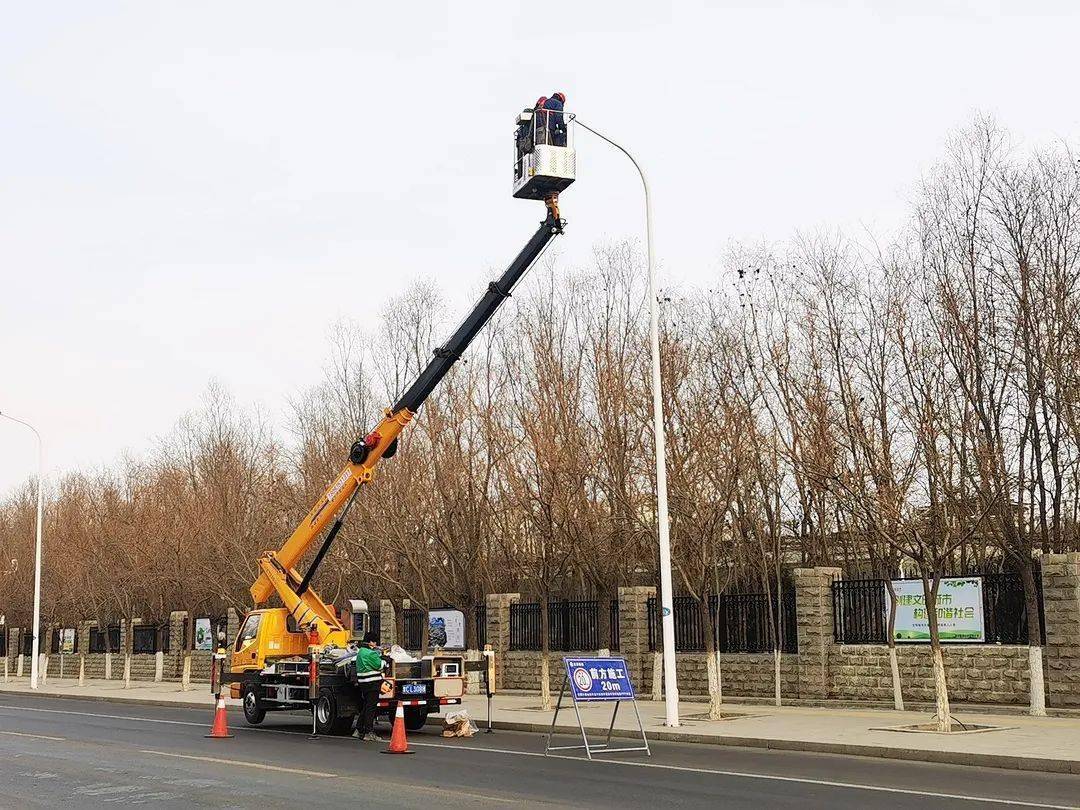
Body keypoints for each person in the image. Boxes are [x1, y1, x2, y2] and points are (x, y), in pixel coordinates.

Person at [353, 631, 386, 742]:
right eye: (375, 641)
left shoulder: (361, 652)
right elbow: (379, 665)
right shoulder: (371, 653)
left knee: (366, 706)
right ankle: (368, 732)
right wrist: (385, 661)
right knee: (371, 708)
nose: (376, 644)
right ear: (371, 642)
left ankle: (358, 730)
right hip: (373, 683)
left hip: (364, 683)